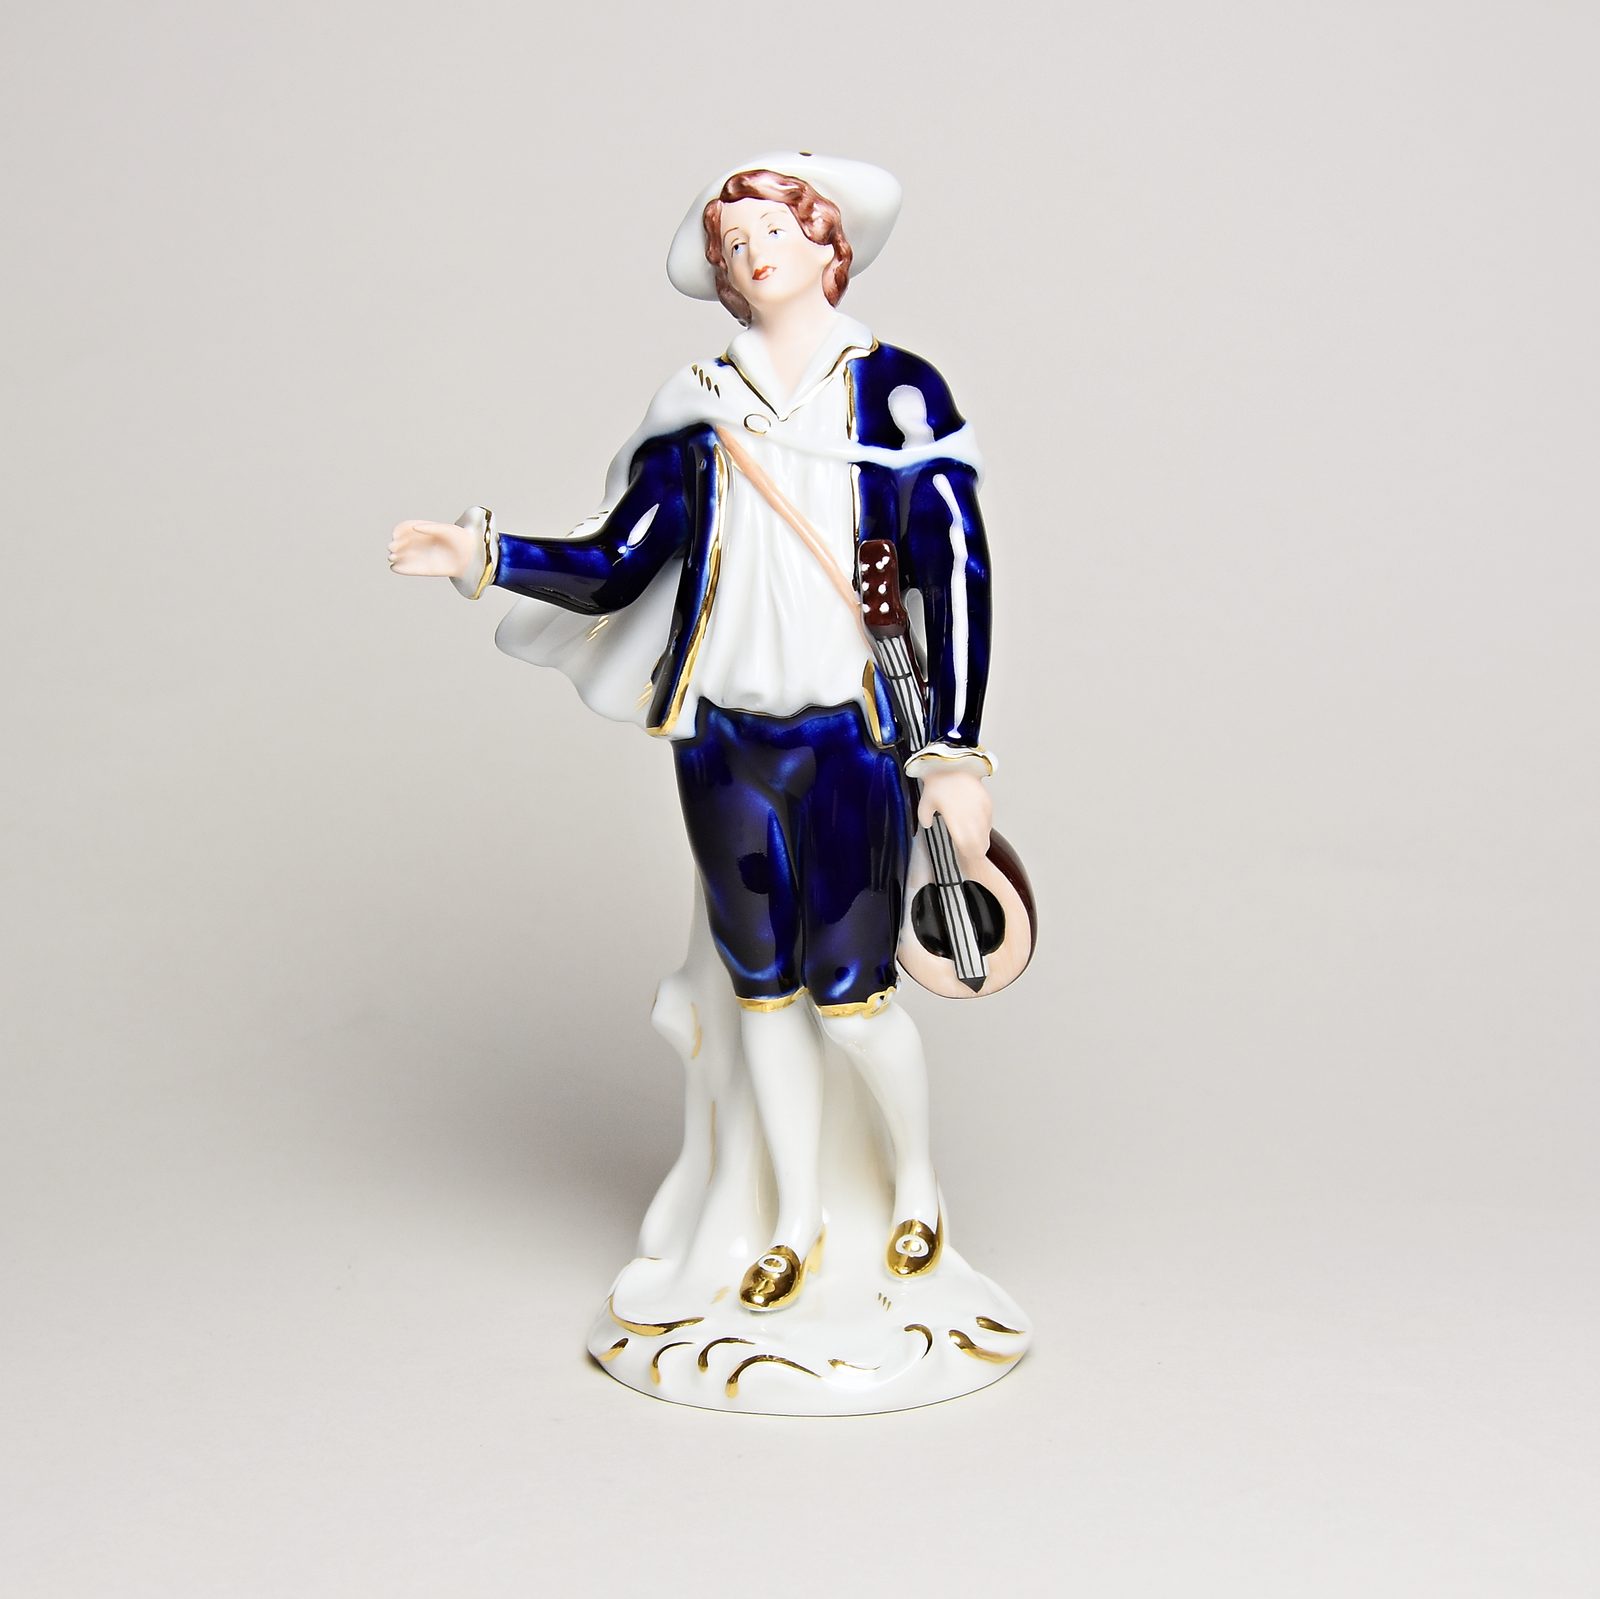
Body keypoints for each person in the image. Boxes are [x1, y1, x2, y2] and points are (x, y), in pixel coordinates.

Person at [390, 152, 997, 1314]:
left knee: (853, 998)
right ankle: (794, 1219)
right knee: (759, 989)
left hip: (850, 738)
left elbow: (954, 573)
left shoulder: (897, 395)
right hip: (722, 742)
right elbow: (618, 563)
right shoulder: (700, 407)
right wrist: (485, 554)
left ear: (828, 244)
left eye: (774, 229)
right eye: (732, 242)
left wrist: (955, 754)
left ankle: (916, 1185)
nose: (752, 252)